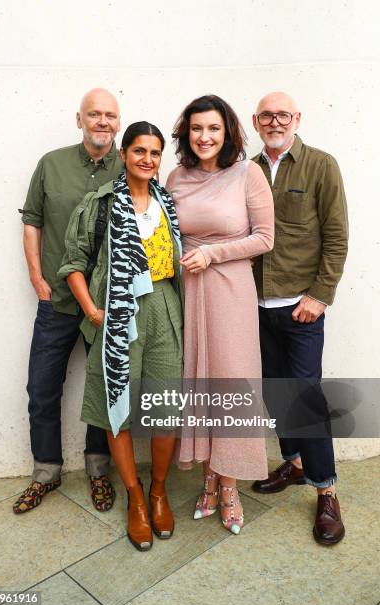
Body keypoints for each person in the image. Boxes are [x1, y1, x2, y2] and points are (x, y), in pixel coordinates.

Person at [58, 121, 183, 551]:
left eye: (154, 153)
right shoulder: (101, 203)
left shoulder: (167, 203)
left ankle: (159, 490)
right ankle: (134, 498)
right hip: (117, 313)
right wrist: (93, 311)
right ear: (124, 154)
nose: (147, 159)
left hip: (165, 306)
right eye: (139, 151)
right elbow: (72, 262)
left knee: (166, 407)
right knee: (120, 409)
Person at [167, 94, 274, 535]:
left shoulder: (247, 173)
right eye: (196, 128)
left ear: (227, 131)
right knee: (198, 383)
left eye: (213, 128)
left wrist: (213, 254)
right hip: (186, 289)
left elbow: (265, 238)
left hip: (230, 291)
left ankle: (229, 485)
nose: (204, 136)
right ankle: (208, 475)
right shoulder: (175, 175)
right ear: (186, 133)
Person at [14, 89, 123, 514]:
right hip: (57, 300)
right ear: (79, 119)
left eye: (109, 115)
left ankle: (99, 468)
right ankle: (46, 471)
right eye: (93, 114)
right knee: (41, 388)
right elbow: (32, 222)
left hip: (108, 305)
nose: (102, 121)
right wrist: (36, 277)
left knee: (104, 388)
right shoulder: (51, 164)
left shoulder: (132, 164)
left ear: (118, 121)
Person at [251, 91, 349, 545]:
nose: (275, 121)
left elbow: (336, 236)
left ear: (297, 119)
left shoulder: (321, 165)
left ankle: (326, 491)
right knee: (275, 392)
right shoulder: (248, 170)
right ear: (256, 121)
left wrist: (319, 295)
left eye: (283, 115)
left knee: (306, 398)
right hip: (255, 306)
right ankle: (293, 463)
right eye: (267, 115)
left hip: (301, 308)